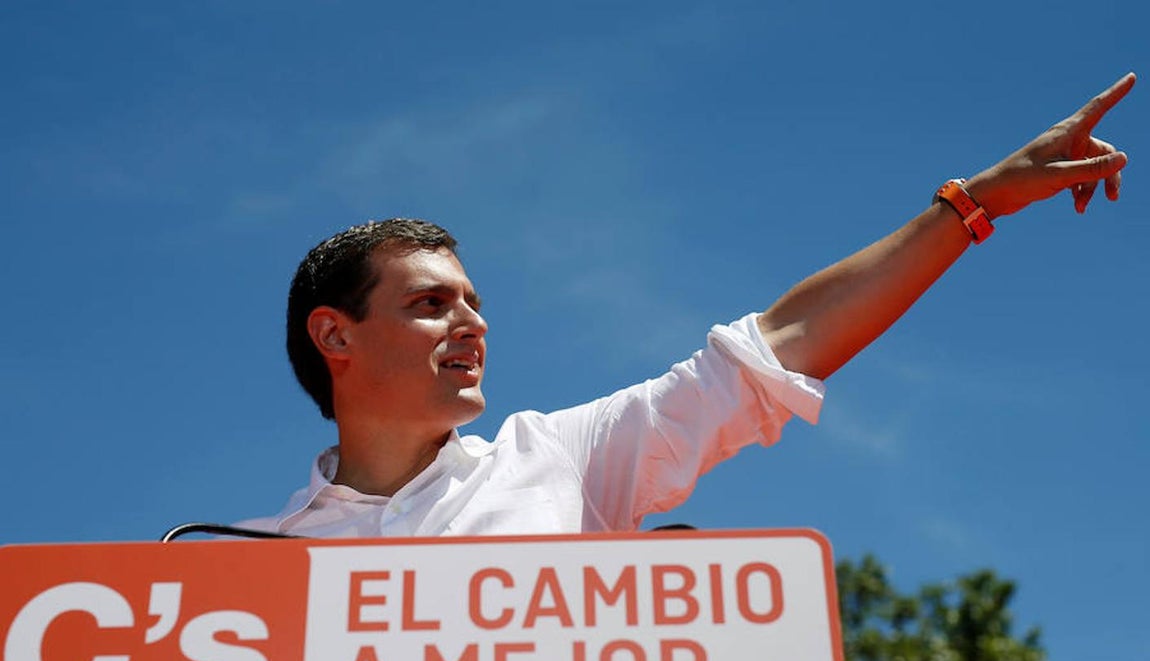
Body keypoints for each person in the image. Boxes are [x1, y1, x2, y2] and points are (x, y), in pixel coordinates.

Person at [239, 73, 1135, 539]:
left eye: (474, 301)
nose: (472, 323)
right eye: (431, 304)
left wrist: (973, 204)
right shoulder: (231, 572)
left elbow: (775, 348)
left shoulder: (555, 463)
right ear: (335, 334)